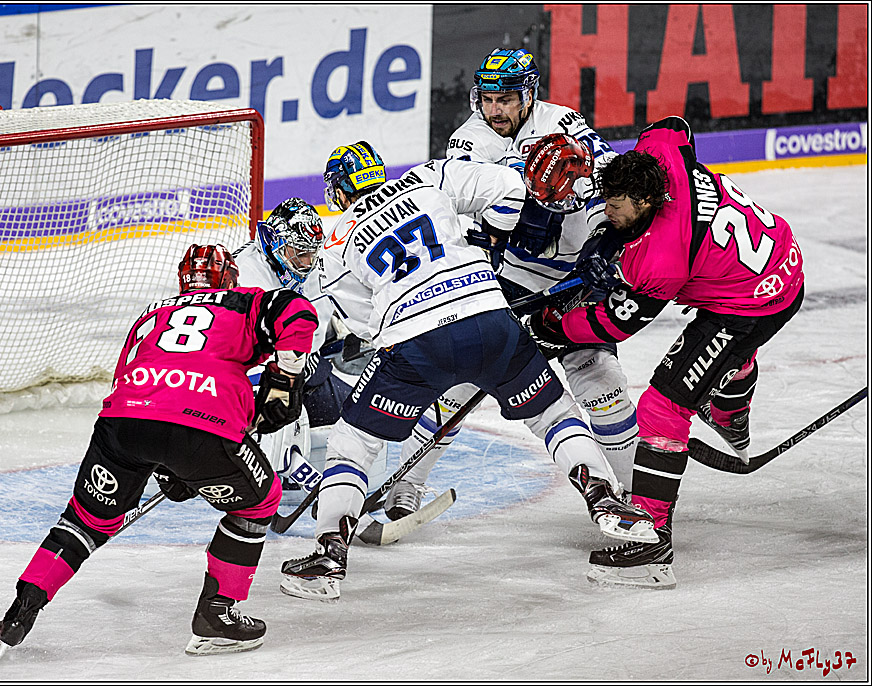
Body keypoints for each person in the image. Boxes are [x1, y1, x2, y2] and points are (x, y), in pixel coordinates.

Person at [278, 140, 657, 602]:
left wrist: (379, 330)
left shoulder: (337, 243)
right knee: (554, 416)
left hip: (417, 344)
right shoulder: (427, 178)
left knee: (353, 442)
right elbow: (509, 187)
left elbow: (353, 320)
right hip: (490, 319)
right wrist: (490, 246)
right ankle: (604, 498)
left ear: (337, 193)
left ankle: (328, 554)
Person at [0, 244, 318, 655]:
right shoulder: (245, 302)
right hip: (201, 425)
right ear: (230, 278)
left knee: (85, 520)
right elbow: (297, 311)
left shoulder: (150, 315)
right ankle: (217, 612)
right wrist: (285, 376)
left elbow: (124, 379)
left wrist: (166, 465)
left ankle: (24, 605)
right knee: (260, 501)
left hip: (123, 424)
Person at [527, 116, 805, 588]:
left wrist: (555, 326)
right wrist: (611, 235)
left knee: (662, 409)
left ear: (644, 202)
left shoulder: (658, 259)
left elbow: (613, 322)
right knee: (715, 363)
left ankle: (652, 543)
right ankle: (732, 402)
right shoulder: (662, 154)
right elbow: (673, 125)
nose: (606, 212)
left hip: (755, 302)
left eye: (615, 208)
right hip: (775, 253)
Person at [383, 47, 639, 521]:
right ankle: (407, 484)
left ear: (529, 96)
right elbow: (466, 207)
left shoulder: (564, 121)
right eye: (488, 99)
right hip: (513, 274)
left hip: (579, 273)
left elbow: (606, 177)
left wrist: (602, 235)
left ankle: (639, 496)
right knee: (458, 385)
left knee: (600, 382)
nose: (496, 109)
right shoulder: (469, 141)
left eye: (507, 99)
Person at [232, 198, 362, 503]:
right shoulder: (243, 273)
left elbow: (320, 322)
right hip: (248, 377)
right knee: (280, 415)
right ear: (275, 241)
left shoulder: (313, 271)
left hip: (303, 372)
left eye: (310, 253)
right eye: (299, 253)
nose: (306, 262)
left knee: (358, 417)